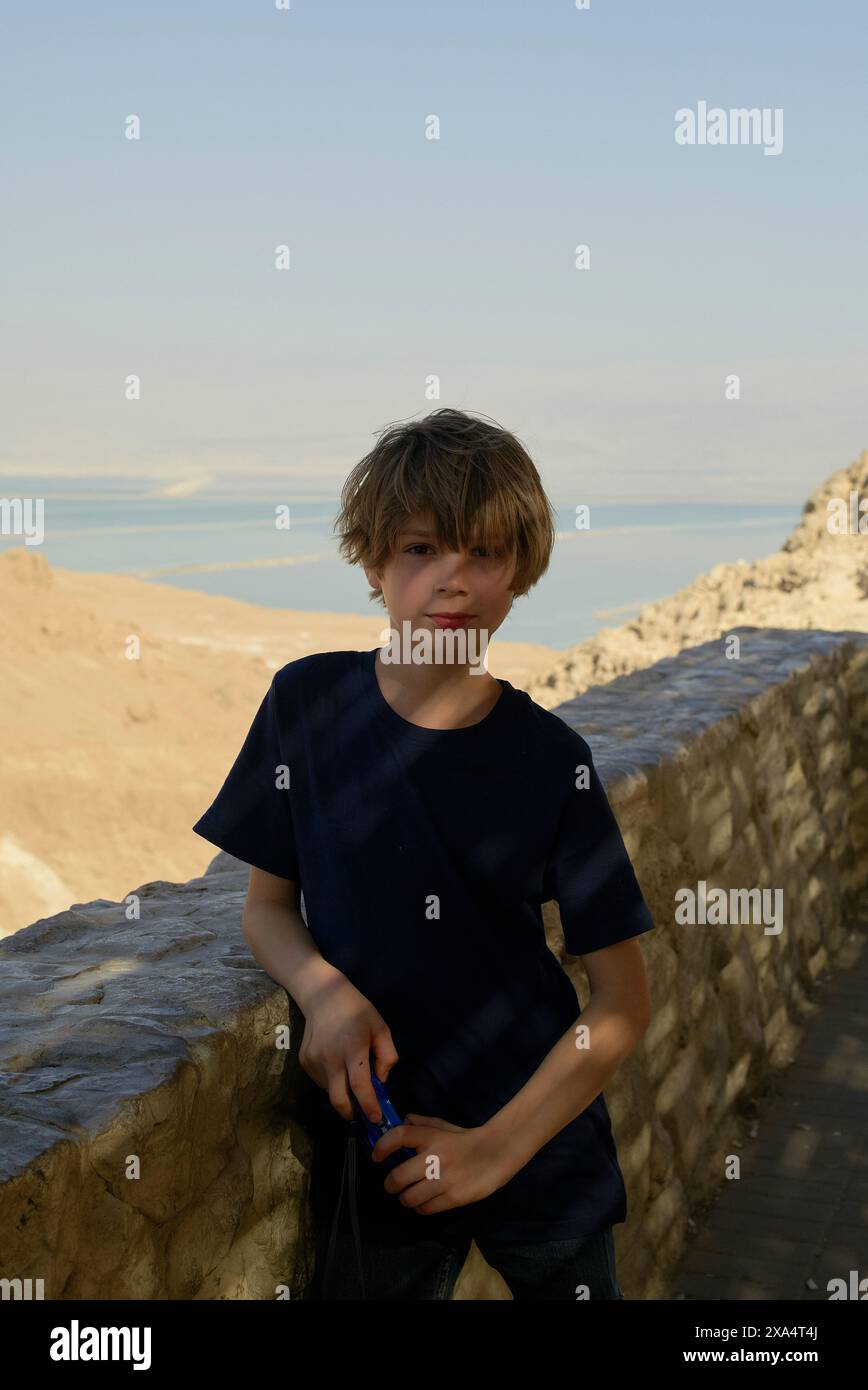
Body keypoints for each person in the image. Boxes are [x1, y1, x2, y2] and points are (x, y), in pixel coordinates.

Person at [192, 407, 656, 1300]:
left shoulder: (554, 761)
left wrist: (493, 1151)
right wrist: (325, 996)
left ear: (520, 571)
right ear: (372, 563)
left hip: (541, 1146)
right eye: (420, 550)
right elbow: (267, 907)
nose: (452, 581)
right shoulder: (307, 704)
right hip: (383, 1147)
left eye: (484, 553)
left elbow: (622, 1001)